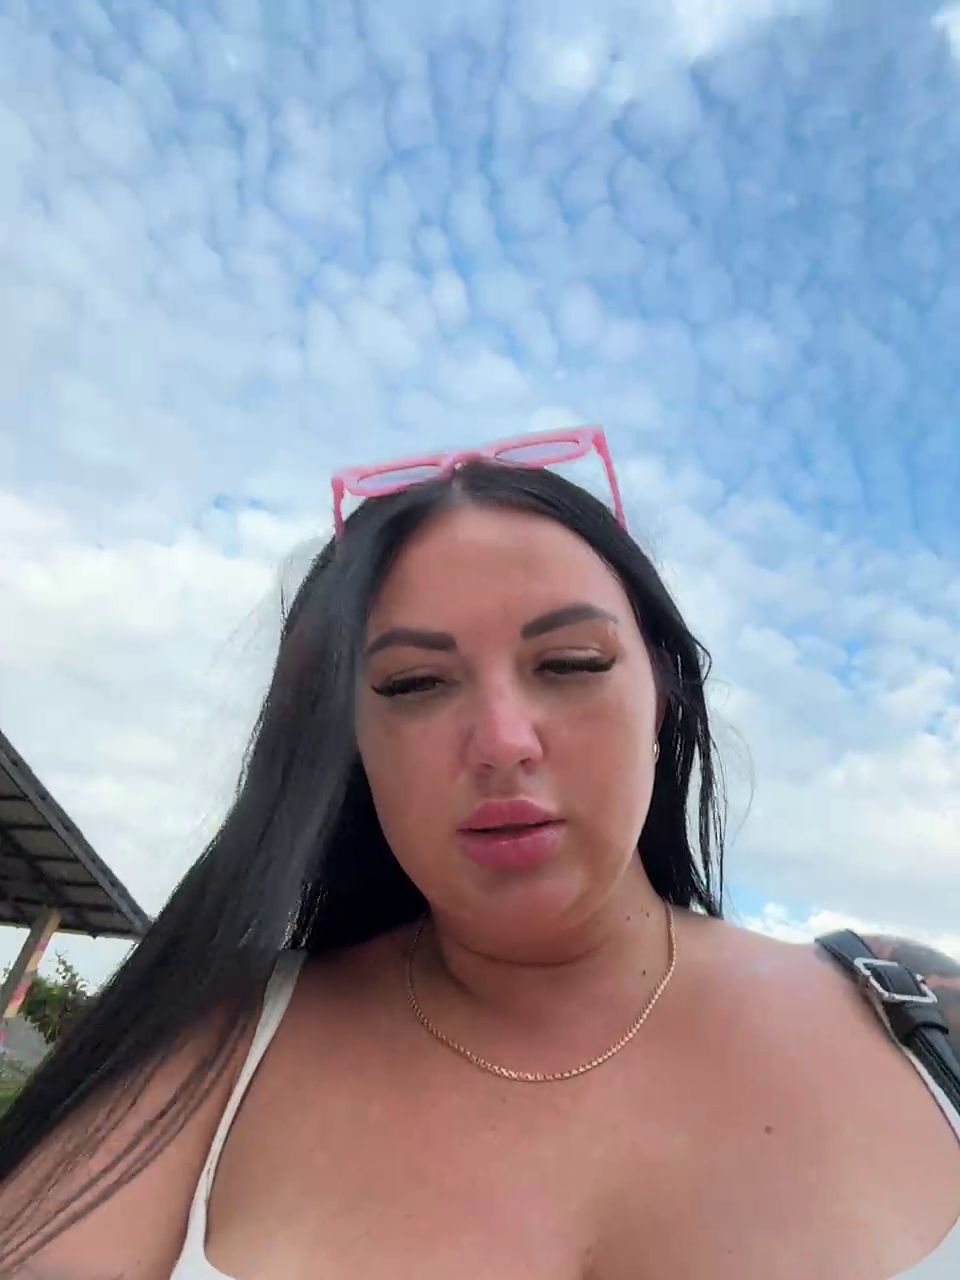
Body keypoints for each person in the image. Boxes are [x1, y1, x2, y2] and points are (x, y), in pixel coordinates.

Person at [0, 427, 958, 1280]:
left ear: (662, 695)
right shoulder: (210, 1048)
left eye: (572, 664)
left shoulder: (918, 1012)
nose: (502, 742)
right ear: (349, 739)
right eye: (415, 683)